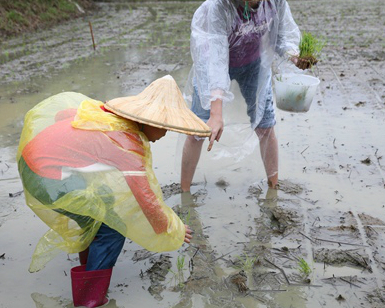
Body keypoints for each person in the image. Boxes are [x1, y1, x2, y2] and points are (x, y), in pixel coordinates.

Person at [17, 75, 211, 308]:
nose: (164, 135)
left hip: (30, 159)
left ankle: (89, 270)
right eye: (164, 128)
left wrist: (77, 147)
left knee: (104, 202)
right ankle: (90, 300)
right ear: (150, 122)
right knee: (113, 229)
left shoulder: (105, 115)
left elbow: (63, 116)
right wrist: (171, 228)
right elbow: (145, 198)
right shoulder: (126, 143)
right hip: (44, 176)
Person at [181, 0, 311, 191]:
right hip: (211, 62)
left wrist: (295, 55)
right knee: (198, 130)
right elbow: (216, 59)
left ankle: (273, 187)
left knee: (266, 125)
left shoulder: (275, 2)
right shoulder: (219, 6)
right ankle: (184, 191)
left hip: (253, 63)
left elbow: (283, 36)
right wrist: (216, 113)